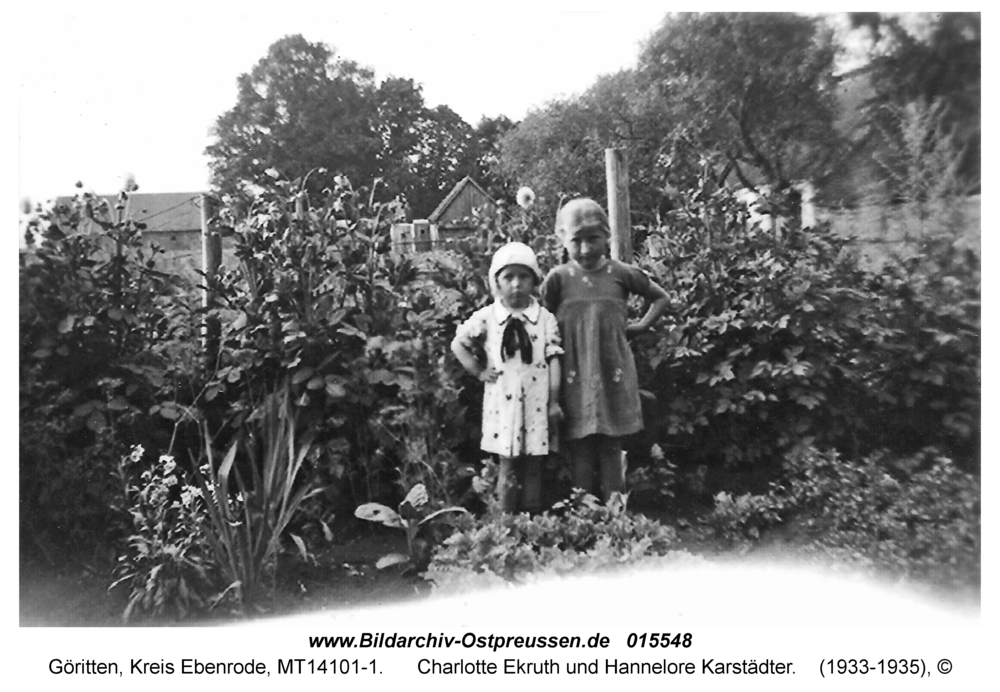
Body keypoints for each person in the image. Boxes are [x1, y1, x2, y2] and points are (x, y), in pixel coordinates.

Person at [541, 198, 670, 502]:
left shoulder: (621, 273)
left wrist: (640, 326)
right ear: (562, 238)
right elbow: (543, 323)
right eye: (576, 240)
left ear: (607, 235)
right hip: (574, 378)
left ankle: (614, 515)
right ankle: (584, 515)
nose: (585, 249)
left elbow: (660, 297)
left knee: (612, 445)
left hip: (612, 374)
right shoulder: (557, 279)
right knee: (581, 447)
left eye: (593, 239)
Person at [451, 242, 563, 512]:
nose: (516, 284)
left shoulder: (544, 319)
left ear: (535, 281)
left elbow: (554, 358)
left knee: (535, 463)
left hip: (536, 403)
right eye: (508, 277)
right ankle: (506, 522)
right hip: (504, 403)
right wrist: (478, 371)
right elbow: (458, 344)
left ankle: (532, 523)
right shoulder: (489, 317)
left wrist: (554, 401)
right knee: (508, 463)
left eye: (523, 277)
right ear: (496, 282)